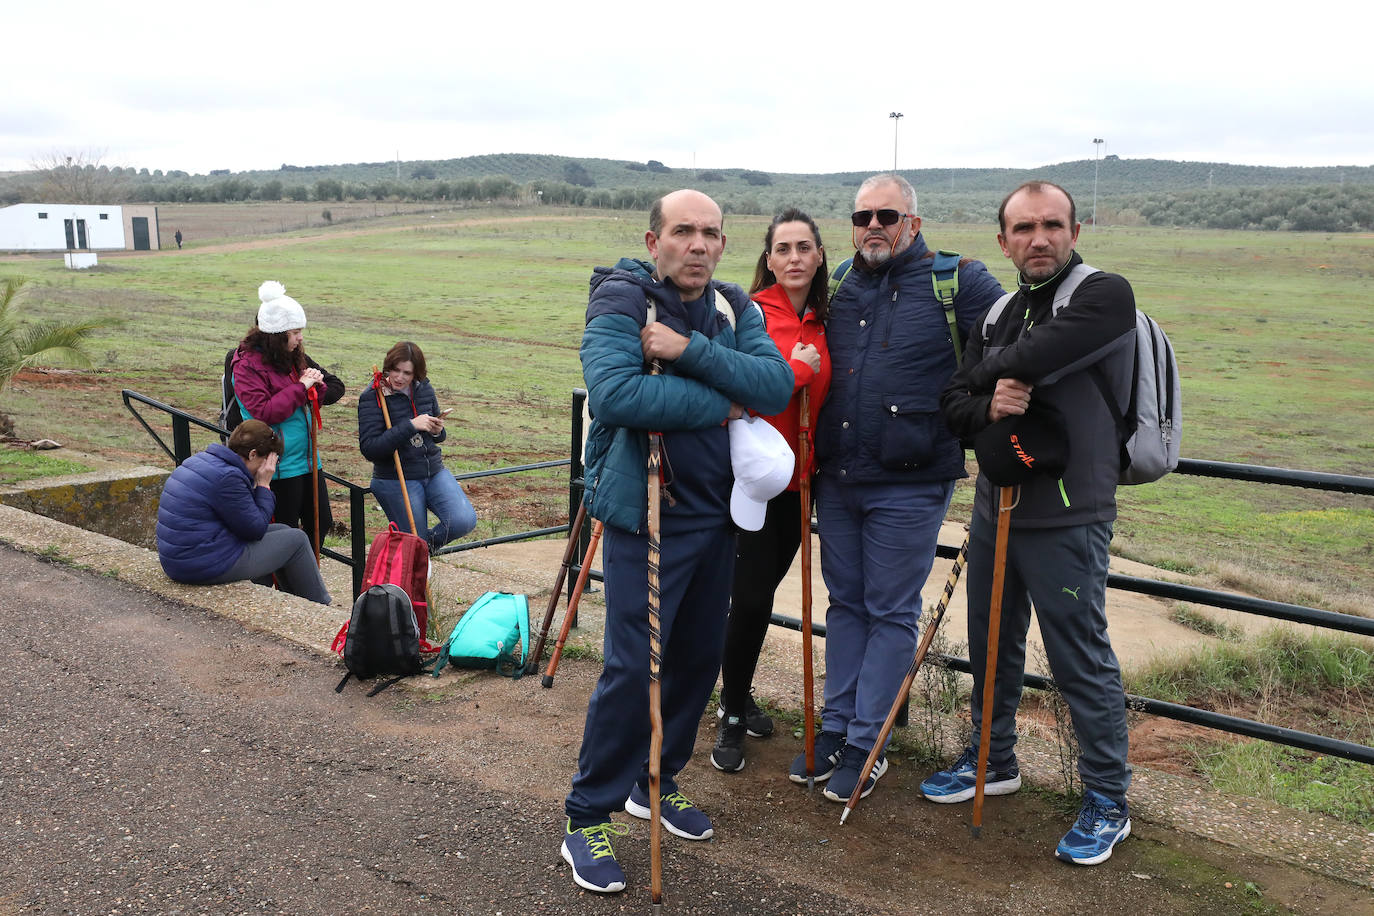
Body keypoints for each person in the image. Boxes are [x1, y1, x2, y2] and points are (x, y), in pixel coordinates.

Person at [560, 190, 792, 894]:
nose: (697, 244)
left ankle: (656, 781)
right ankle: (586, 816)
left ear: (724, 245)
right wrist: (723, 401)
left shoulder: (731, 308)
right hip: (647, 515)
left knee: (696, 658)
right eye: (683, 231)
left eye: (711, 234)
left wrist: (688, 351)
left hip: (718, 518)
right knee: (634, 668)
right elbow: (617, 395)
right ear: (654, 238)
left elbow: (775, 384)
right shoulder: (623, 300)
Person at [923, 180, 1137, 865]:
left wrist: (986, 377)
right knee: (989, 644)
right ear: (1003, 240)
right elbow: (952, 407)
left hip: (1070, 513)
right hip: (996, 509)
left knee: (1079, 657)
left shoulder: (1105, 296)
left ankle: (1107, 799)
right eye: (1023, 228)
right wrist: (989, 402)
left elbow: (1040, 357)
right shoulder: (1001, 312)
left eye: (1051, 225)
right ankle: (994, 761)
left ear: (1074, 230)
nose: (1037, 238)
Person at [807, 174, 1005, 803]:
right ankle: (836, 727)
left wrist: (996, 408)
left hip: (912, 480)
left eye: (886, 215)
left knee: (890, 610)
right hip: (838, 476)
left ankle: (870, 741)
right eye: (862, 215)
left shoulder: (960, 283)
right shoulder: (838, 281)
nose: (873, 226)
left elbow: (1012, 345)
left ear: (913, 223)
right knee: (845, 604)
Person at [712, 209, 832, 773]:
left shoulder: (828, 318)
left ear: (819, 255)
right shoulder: (751, 314)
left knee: (761, 595)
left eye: (804, 247)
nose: (794, 258)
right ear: (768, 256)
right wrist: (797, 372)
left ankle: (739, 693)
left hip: (801, 483)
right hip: (755, 480)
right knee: (751, 596)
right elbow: (741, 389)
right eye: (782, 248)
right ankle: (731, 712)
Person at [156, 420, 331, 604]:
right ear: (253, 454)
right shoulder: (229, 478)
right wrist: (264, 485)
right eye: (268, 462)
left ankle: (296, 604)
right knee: (297, 540)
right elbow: (254, 529)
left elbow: (246, 522)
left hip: (183, 557)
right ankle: (323, 611)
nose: (269, 468)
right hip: (199, 563)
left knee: (283, 531)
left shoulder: (203, 461)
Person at [230, 281, 345, 555]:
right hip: (278, 464)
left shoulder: (290, 356)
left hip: (308, 459)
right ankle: (289, 590)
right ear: (277, 335)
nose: (300, 338)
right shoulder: (247, 367)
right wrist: (302, 387)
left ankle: (304, 582)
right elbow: (265, 412)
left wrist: (316, 383)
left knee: (322, 523)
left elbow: (316, 391)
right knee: (284, 531)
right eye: (295, 332)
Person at [357, 341, 477, 551]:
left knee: (464, 520)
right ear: (388, 366)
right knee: (414, 542)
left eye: (407, 373)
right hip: (396, 478)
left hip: (433, 471)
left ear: (416, 374)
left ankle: (420, 550)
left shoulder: (425, 389)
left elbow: (439, 436)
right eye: (395, 370)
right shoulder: (372, 396)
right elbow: (370, 448)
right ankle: (415, 554)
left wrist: (437, 430)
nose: (399, 377)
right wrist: (411, 425)